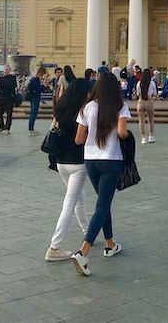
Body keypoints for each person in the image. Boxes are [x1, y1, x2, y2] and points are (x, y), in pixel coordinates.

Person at [70, 72, 130, 276]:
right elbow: (122, 133)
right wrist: (126, 135)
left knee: (104, 203)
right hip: (111, 160)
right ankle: (83, 252)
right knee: (102, 204)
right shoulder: (120, 106)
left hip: (91, 160)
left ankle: (110, 243)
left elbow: (78, 139)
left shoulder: (87, 107)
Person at [45, 78, 91, 262]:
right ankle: (54, 247)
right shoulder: (83, 110)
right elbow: (83, 136)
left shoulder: (60, 108)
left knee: (79, 198)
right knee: (70, 203)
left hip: (60, 161)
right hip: (77, 162)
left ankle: (88, 232)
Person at [136, 68, 157, 144]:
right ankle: (150, 136)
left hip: (141, 101)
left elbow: (138, 94)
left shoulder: (139, 83)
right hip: (149, 100)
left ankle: (143, 137)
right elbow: (155, 93)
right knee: (151, 120)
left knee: (141, 121)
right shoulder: (152, 83)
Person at [0, 64, 17, 134]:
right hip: (2, 97)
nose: (6, 71)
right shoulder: (1, 78)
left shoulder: (12, 78)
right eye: (5, 70)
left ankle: (7, 127)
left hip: (10, 97)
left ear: (10, 70)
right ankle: (2, 126)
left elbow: (13, 86)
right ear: (3, 71)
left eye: (8, 69)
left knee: (9, 113)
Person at [28, 66, 47, 136]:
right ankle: (31, 129)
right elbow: (38, 89)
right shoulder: (36, 79)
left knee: (33, 113)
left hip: (33, 97)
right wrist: (44, 86)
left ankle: (31, 128)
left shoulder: (34, 79)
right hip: (35, 98)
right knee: (33, 113)